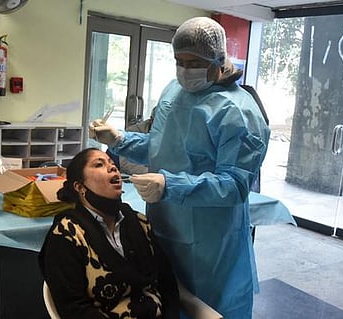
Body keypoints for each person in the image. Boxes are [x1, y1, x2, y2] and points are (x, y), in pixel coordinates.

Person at [89, 17, 270, 319]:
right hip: (164, 224)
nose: (185, 70)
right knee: (168, 300)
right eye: (179, 61)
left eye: (194, 62)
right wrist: (119, 139)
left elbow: (235, 185)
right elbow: (159, 146)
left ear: (218, 60)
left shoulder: (237, 112)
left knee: (209, 309)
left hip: (211, 243)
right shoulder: (174, 92)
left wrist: (170, 186)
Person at [38, 148, 180, 319]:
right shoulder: (67, 235)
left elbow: (167, 283)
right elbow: (72, 308)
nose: (113, 168)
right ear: (80, 187)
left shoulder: (140, 223)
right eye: (99, 164)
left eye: (113, 164)